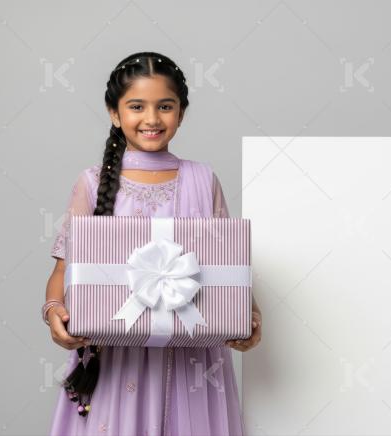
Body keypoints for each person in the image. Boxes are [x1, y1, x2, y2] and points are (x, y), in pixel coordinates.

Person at [42, 52, 261, 435]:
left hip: (193, 358)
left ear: (181, 112)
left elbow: (227, 266)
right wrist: (54, 312)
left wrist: (248, 317)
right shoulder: (92, 183)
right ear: (114, 112)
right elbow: (64, 269)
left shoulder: (203, 178)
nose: (152, 119)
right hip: (116, 357)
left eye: (165, 106)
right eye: (136, 106)